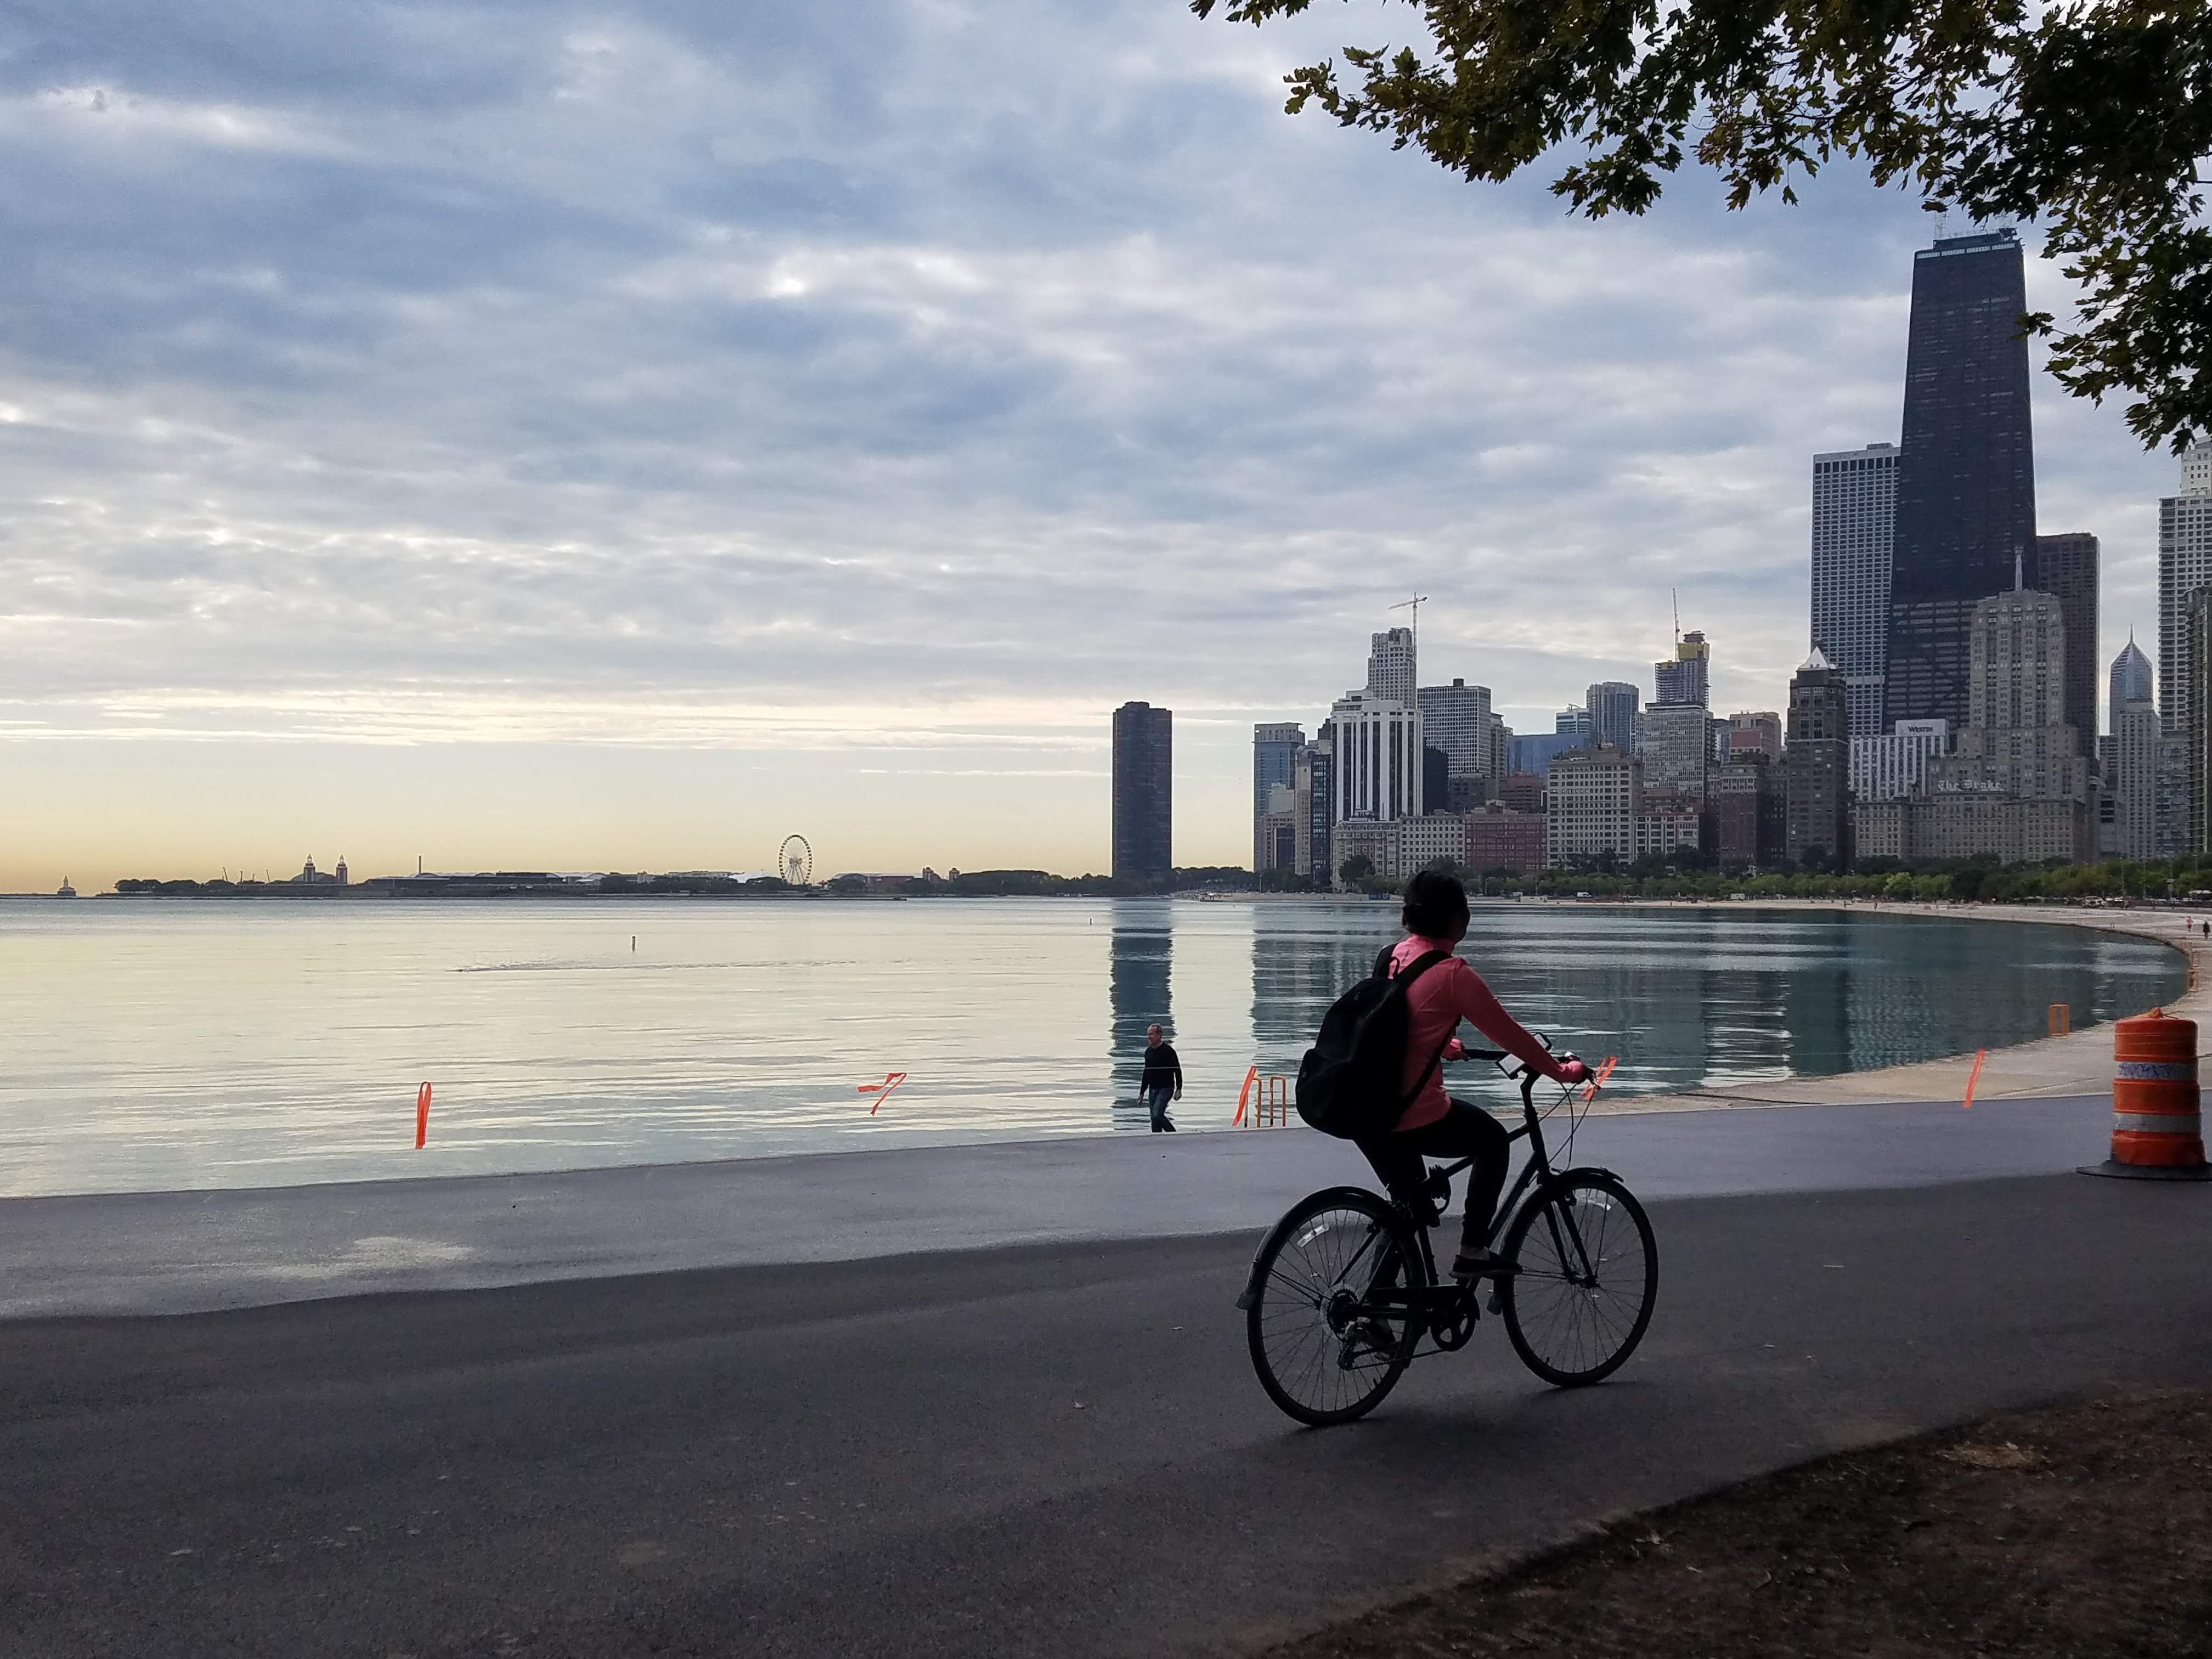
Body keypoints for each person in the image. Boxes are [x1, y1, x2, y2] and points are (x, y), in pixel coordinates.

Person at [1358, 870, 1588, 1280]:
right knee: (1493, 1142)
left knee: (1409, 1206)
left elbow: (1395, 1022)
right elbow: (1511, 1034)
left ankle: (1372, 1315)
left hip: (1367, 1108)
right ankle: (1473, 1250)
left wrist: (1443, 1045)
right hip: (1410, 1112)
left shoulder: (1391, 955)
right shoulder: (1454, 975)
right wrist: (1560, 1071)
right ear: (1458, 920)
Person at [1139, 1023, 1183, 1132]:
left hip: (1166, 1088)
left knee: (1157, 1115)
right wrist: (1142, 1093)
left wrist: (1179, 1089)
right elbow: (1146, 1073)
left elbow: (1177, 1070)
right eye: (1148, 1034)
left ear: (1159, 1035)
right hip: (1153, 1089)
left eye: (1152, 1034)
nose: (1149, 1037)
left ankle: (1174, 1135)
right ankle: (1157, 1141)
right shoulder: (1148, 1052)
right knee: (1154, 1120)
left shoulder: (1168, 1051)